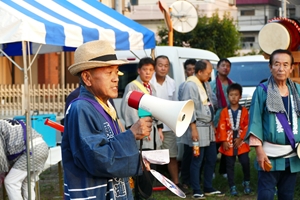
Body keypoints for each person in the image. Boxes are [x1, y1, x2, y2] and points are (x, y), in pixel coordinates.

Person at [62, 40, 153, 200]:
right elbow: (97, 158)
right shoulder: (81, 107)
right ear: (87, 77)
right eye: (108, 73)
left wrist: (136, 158)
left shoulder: (104, 105)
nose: (116, 79)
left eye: (116, 72)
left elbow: (111, 145)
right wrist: (131, 135)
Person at [246, 49, 300, 200]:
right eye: (276, 64)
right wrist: (259, 151)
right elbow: (255, 121)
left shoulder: (298, 90)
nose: (281, 69)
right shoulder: (262, 91)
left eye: (285, 64)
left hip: (294, 156)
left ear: (291, 68)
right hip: (269, 155)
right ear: (270, 67)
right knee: (266, 194)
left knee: (287, 195)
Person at [178, 60, 224, 199]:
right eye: (208, 73)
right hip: (196, 125)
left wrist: (212, 123)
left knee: (211, 158)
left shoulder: (205, 83)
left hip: (208, 125)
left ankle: (208, 186)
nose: (210, 76)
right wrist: (193, 129)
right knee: (197, 158)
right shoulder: (190, 85)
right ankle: (196, 189)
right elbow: (188, 107)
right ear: (199, 72)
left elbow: (211, 102)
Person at [120, 57, 163, 200]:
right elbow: (130, 112)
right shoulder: (132, 86)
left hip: (154, 133)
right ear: (139, 70)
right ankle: (141, 195)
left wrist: (160, 128)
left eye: (151, 70)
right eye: (145, 69)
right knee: (142, 168)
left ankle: (146, 194)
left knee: (152, 168)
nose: (148, 73)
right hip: (143, 135)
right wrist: (141, 129)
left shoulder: (152, 86)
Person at [150, 55, 187, 193]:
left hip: (168, 125)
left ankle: (175, 183)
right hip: (153, 126)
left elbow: (175, 104)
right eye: (160, 65)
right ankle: (150, 184)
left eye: (166, 65)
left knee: (172, 156)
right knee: (152, 155)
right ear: (155, 66)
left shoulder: (172, 83)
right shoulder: (150, 82)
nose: (163, 68)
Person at [0, 119, 49, 200]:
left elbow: (1, 157)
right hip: (42, 146)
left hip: (32, 150)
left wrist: (2, 173)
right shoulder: (3, 122)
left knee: (11, 182)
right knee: (27, 182)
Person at [217, 83, 251, 196]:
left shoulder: (245, 111)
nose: (233, 97)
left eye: (236, 95)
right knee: (229, 165)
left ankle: (246, 182)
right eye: (231, 95)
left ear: (240, 96)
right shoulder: (224, 112)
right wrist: (224, 141)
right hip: (228, 141)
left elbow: (247, 126)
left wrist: (241, 138)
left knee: (245, 162)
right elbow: (221, 126)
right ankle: (232, 186)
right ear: (227, 96)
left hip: (241, 142)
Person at [210, 58, 233, 178]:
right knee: (213, 146)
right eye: (223, 65)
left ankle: (224, 170)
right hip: (216, 117)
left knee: (227, 143)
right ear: (217, 68)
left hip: (228, 118)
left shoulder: (232, 84)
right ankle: (211, 170)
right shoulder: (211, 85)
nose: (225, 68)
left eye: (228, 66)